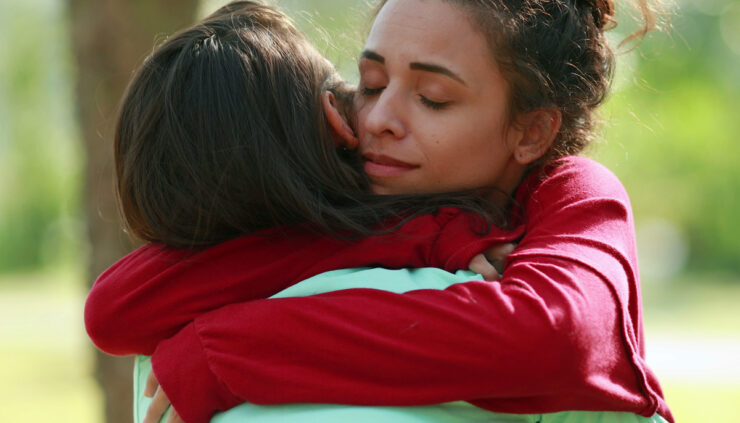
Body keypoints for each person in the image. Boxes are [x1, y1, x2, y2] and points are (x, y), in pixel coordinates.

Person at [85, 0, 674, 422]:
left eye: (432, 97)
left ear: (531, 130)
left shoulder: (569, 193)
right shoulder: (376, 194)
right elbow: (117, 308)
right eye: (369, 82)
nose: (378, 119)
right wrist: (413, 237)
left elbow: (553, 337)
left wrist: (224, 352)